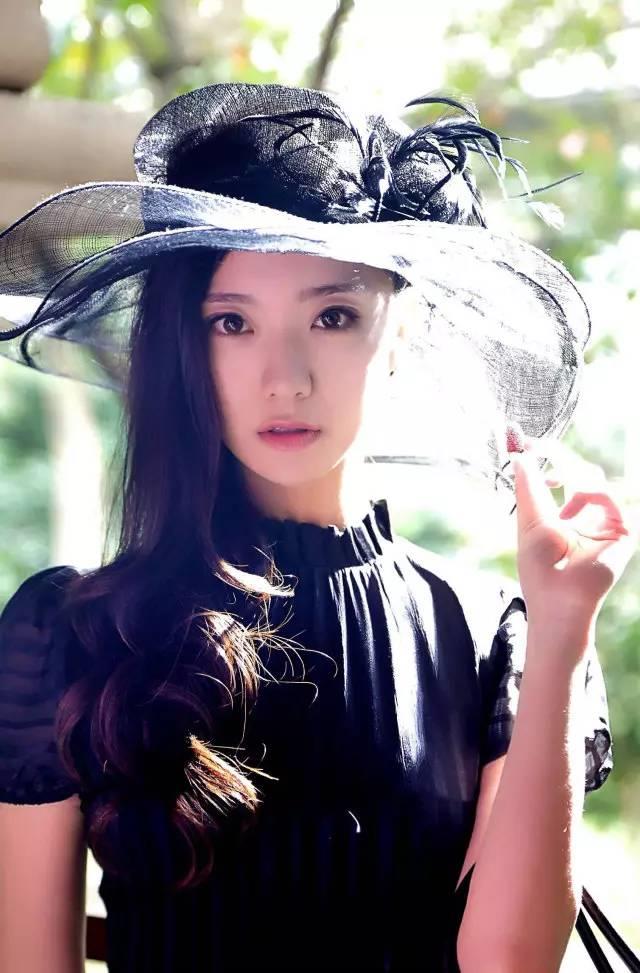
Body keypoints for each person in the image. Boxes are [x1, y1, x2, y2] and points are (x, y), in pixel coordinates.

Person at [0, 83, 635, 973]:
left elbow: (509, 964)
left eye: (333, 316)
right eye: (232, 323)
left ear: (400, 332)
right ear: (184, 345)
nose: (285, 377)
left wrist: (563, 625)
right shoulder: (69, 631)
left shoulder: (498, 634)